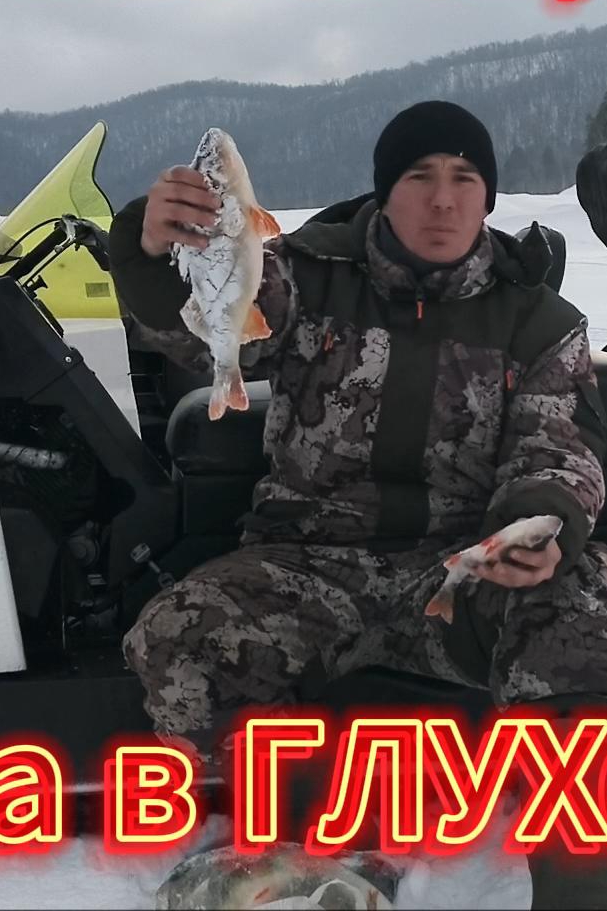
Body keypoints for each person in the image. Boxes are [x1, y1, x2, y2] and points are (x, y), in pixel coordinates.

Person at [109, 100, 607, 909]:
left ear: (487, 196)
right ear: (383, 189)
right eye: (418, 176)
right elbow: (200, 328)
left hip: (461, 566)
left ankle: (580, 880)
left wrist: (539, 521)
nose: (441, 199)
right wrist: (153, 242)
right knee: (178, 633)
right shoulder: (305, 278)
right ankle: (299, 844)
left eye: (464, 178)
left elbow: (556, 446)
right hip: (309, 562)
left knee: (585, 611)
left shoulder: (536, 318)